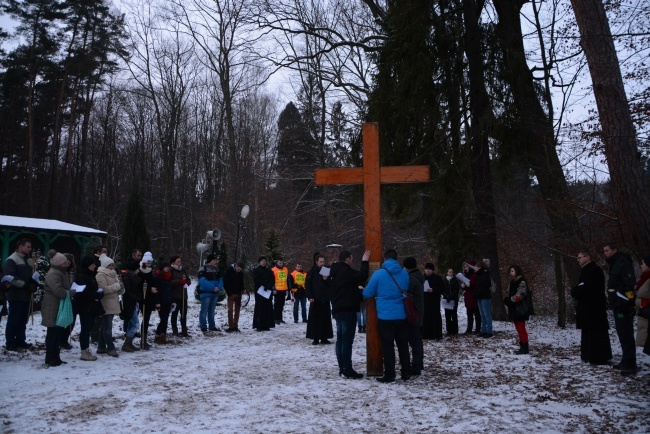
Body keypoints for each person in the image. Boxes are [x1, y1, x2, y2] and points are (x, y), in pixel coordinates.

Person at [363, 249, 411, 383]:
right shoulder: (404, 274)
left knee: (388, 346)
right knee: (403, 345)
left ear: (385, 259)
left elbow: (367, 293)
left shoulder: (379, 274)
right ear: (396, 259)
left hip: (385, 317)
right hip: (402, 315)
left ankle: (390, 374)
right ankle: (406, 372)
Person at [330, 250, 370, 379]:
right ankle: (347, 369)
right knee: (347, 341)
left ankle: (342, 367)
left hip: (338, 309)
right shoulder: (346, 271)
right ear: (347, 259)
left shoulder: (334, 272)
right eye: (351, 258)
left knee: (340, 340)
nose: (352, 260)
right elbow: (362, 275)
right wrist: (365, 261)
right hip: (347, 309)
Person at [570, 250, 612, 365]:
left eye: (580, 257)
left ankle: (598, 356)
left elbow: (588, 287)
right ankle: (589, 355)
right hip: (588, 307)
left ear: (587, 257)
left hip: (594, 308)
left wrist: (576, 290)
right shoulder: (587, 270)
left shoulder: (595, 270)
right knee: (588, 331)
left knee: (596, 332)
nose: (578, 260)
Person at [603, 243, 637, 375]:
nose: (605, 253)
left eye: (607, 250)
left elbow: (629, 284)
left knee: (626, 333)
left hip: (622, 304)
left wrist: (627, 302)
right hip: (617, 303)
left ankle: (630, 363)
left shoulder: (623, 262)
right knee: (622, 333)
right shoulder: (614, 263)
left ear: (614, 250)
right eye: (604, 251)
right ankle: (626, 360)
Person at [3, 238, 36, 351]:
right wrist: (26, 285)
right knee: (14, 319)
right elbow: (11, 278)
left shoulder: (28, 260)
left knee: (23, 320)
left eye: (30, 247)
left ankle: (21, 340)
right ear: (20, 247)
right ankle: (10, 342)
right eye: (28, 246)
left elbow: (31, 275)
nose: (30, 249)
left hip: (26, 295)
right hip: (16, 295)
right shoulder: (12, 260)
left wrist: (33, 282)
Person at [41, 253, 72, 366]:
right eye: (64, 262)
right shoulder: (54, 273)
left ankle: (56, 357)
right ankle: (50, 358)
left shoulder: (61, 272)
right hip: (52, 305)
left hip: (58, 305)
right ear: (58, 263)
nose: (67, 263)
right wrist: (71, 293)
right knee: (53, 333)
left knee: (57, 332)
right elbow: (58, 290)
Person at [74, 256, 105, 361]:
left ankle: (86, 349)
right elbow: (84, 292)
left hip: (91, 305)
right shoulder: (82, 276)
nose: (95, 266)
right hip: (85, 306)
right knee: (85, 329)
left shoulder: (91, 275)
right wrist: (96, 295)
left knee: (88, 328)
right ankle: (84, 351)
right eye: (92, 264)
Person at [95, 254, 123, 356]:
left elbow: (115, 288)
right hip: (106, 302)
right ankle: (110, 348)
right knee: (107, 327)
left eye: (112, 265)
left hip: (113, 302)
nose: (111, 267)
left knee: (104, 326)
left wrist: (120, 288)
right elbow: (103, 289)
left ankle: (101, 347)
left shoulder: (113, 274)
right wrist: (117, 286)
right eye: (109, 265)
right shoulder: (100, 275)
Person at [503, 265, 531, 354]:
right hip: (514, 308)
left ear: (517, 271)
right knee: (518, 328)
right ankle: (522, 345)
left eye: (512, 271)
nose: (511, 273)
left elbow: (520, 295)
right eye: (510, 271)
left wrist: (510, 300)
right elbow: (508, 292)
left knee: (521, 328)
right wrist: (507, 298)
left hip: (520, 308)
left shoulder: (521, 282)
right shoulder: (512, 282)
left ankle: (525, 347)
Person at [403, 257, 424, 376]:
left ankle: (416, 366)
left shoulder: (411, 278)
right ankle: (419, 363)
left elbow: (403, 292)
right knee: (417, 340)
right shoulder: (418, 276)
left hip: (412, 313)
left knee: (414, 341)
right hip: (417, 312)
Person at [306, 253, 333, 345]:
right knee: (315, 319)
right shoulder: (312, 272)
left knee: (325, 319)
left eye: (323, 261)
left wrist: (327, 279)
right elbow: (308, 285)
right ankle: (316, 338)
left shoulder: (327, 270)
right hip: (315, 299)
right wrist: (310, 296)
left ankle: (324, 337)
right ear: (316, 262)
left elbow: (331, 284)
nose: (322, 263)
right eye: (320, 261)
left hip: (325, 298)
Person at [197, 254, 223, 332]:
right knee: (204, 310)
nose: (215, 262)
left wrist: (219, 287)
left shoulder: (217, 270)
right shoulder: (203, 269)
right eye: (214, 260)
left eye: (216, 260)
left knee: (211, 310)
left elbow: (221, 279)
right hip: (206, 293)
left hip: (215, 293)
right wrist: (213, 288)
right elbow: (202, 281)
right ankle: (203, 326)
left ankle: (212, 326)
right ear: (210, 261)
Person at [120, 260, 142, 353]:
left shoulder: (133, 278)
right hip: (130, 304)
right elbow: (127, 293)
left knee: (132, 324)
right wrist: (138, 298)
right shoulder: (127, 278)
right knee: (135, 324)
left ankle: (129, 343)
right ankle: (126, 343)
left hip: (134, 303)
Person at [138, 255, 158, 349]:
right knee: (143, 318)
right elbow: (140, 284)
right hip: (142, 297)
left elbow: (153, 282)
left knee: (146, 319)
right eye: (147, 263)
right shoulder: (140, 272)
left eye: (150, 263)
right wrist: (150, 288)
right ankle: (141, 340)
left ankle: (144, 340)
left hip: (149, 298)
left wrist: (153, 288)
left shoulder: (150, 272)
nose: (149, 265)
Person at [169, 254, 191, 337]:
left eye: (180, 261)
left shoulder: (183, 270)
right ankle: (175, 330)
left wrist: (187, 283)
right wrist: (179, 281)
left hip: (183, 296)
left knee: (183, 314)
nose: (179, 263)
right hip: (175, 296)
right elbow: (170, 282)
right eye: (178, 261)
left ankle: (184, 330)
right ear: (173, 262)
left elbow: (188, 279)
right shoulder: (171, 271)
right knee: (174, 314)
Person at [252, 256, 275, 331]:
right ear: (259, 262)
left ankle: (267, 325)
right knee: (259, 308)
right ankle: (259, 325)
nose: (263, 262)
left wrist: (268, 286)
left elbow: (272, 280)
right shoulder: (256, 270)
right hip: (259, 291)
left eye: (265, 261)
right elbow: (256, 280)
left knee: (267, 308)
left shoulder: (269, 271)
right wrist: (264, 285)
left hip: (267, 291)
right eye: (262, 261)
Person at [153, 260, 174, 344]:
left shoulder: (169, 277)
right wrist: (157, 302)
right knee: (163, 319)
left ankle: (163, 335)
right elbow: (157, 290)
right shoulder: (157, 276)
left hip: (168, 300)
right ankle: (158, 335)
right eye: (166, 267)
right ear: (162, 268)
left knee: (165, 319)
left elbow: (170, 290)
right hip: (161, 300)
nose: (167, 268)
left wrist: (172, 300)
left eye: (168, 267)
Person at [421, 263, 443, 339]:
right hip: (425, 301)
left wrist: (433, 290)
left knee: (434, 317)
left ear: (432, 270)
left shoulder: (438, 278)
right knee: (425, 318)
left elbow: (441, 288)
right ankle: (425, 334)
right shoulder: (422, 278)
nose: (427, 271)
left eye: (429, 269)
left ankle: (435, 334)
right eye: (426, 269)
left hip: (434, 301)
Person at [223, 261, 245, 332]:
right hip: (231, 294)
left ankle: (235, 325)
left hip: (238, 294)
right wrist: (229, 293)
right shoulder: (229, 270)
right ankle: (231, 326)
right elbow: (225, 282)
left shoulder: (240, 273)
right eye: (238, 269)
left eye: (240, 269)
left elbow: (241, 282)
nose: (239, 270)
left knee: (237, 311)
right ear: (235, 266)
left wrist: (243, 289)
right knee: (230, 310)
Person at [634, 256, 650, 348]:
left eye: (643, 263)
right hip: (644, 316)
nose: (641, 265)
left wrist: (640, 302)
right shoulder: (643, 279)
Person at [474, 260, 493, 338]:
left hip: (485, 296)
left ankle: (489, 331)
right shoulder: (478, 275)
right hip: (480, 296)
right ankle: (483, 330)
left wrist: (477, 293)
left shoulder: (485, 274)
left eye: (476, 266)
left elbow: (483, 286)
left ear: (480, 267)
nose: (475, 268)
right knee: (482, 315)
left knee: (487, 314)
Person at [461, 261, 480, 334]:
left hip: (474, 296)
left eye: (467, 267)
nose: (465, 268)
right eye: (465, 267)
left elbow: (476, 284)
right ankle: (469, 329)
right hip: (468, 296)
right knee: (469, 314)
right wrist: (463, 286)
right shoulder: (466, 275)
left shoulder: (475, 275)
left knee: (477, 314)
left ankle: (477, 329)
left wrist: (470, 284)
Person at [441, 268, 460, 336]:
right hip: (446, 300)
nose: (451, 273)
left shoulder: (455, 280)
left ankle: (455, 330)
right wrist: (446, 296)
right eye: (450, 272)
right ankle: (449, 330)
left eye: (452, 272)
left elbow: (457, 290)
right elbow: (442, 290)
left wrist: (451, 296)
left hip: (453, 299)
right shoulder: (444, 281)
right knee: (447, 315)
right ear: (447, 273)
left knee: (454, 315)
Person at [272, 258, 290, 324]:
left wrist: (289, 288)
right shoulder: (273, 270)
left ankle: (280, 318)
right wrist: (273, 289)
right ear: (277, 262)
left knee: (282, 305)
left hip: (284, 289)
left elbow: (288, 279)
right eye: (280, 263)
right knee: (277, 305)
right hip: (277, 290)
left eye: (282, 263)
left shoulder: (285, 269)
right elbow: (272, 281)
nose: (281, 264)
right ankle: (275, 318)